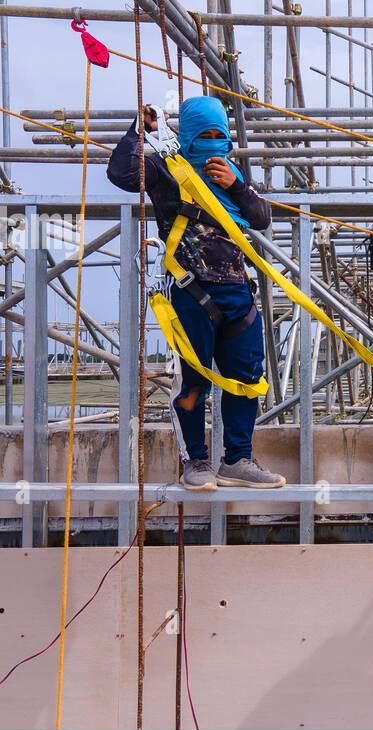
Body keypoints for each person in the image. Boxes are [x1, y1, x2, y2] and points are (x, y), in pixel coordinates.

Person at [107, 96, 285, 491]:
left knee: (246, 378)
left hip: (238, 291)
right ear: (186, 136)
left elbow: (261, 218)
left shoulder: (231, 173)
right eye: (203, 135)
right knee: (192, 380)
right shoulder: (167, 171)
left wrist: (236, 185)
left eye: (218, 135)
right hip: (190, 290)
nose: (211, 142)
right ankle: (196, 460)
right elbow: (119, 172)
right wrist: (139, 130)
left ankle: (237, 458)